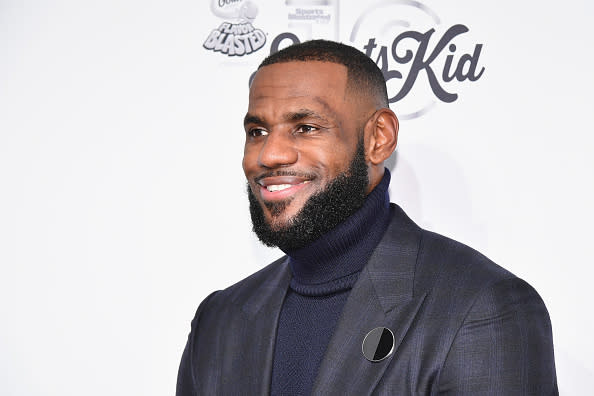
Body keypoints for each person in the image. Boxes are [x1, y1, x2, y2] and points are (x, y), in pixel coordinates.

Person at [176, 40, 557, 395]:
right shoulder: (219, 320)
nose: (270, 154)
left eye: (306, 128)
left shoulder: (483, 307)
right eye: (257, 131)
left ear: (378, 138)